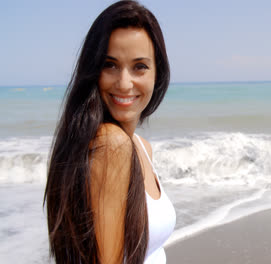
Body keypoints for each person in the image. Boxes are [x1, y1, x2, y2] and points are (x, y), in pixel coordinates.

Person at [44, 1, 175, 263]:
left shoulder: (140, 146)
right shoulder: (110, 144)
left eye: (140, 66)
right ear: (93, 71)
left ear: (157, 73)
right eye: (110, 65)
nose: (124, 83)